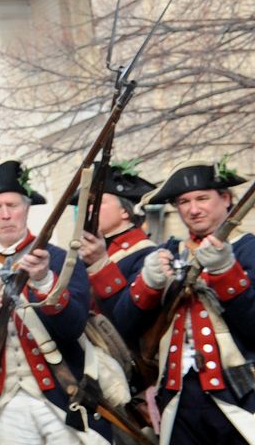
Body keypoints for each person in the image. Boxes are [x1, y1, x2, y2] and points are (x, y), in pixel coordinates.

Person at [0, 161, 94, 443]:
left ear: (26, 208)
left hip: (61, 396)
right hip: (4, 403)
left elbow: (73, 326)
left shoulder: (60, 258)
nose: (5, 215)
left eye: (12, 205)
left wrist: (45, 281)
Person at [109, 160, 255, 443]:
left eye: (202, 198)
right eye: (184, 201)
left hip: (240, 394)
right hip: (178, 397)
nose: (193, 209)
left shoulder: (249, 248)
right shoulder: (169, 252)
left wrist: (226, 273)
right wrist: (148, 284)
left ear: (226, 199)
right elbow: (125, 326)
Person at [71, 164, 158, 318]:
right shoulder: (92, 251)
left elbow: (129, 318)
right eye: (88, 204)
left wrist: (99, 264)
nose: (89, 209)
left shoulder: (147, 254)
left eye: (98, 203)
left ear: (124, 211)